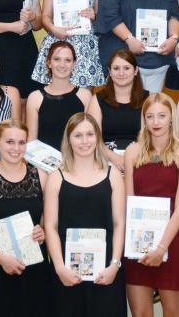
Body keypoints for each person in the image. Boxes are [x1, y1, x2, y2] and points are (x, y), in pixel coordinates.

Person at [44, 113, 127, 316]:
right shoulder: (56, 177)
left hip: (106, 270)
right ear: (69, 139)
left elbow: (119, 224)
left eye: (90, 134)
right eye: (78, 135)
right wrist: (59, 268)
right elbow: (51, 227)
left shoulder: (113, 174)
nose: (84, 141)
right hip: (66, 270)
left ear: (98, 138)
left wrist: (114, 265)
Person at [123, 93, 179, 317]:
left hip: (172, 241)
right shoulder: (132, 152)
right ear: (144, 119)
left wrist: (161, 248)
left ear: (171, 118)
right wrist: (142, 247)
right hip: (138, 244)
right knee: (141, 314)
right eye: (150, 116)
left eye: (161, 116)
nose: (156, 122)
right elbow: (129, 202)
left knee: (172, 312)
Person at [0, 119, 51, 316]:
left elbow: (48, 222)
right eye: (10, 142)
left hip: (34, 267)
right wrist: (2, 259)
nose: (16, 148)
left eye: (21, 143)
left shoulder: (41, 176)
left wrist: (44, 231)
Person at [87, 49, 148, 172]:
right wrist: (115, 159)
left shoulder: (149, 99)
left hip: (141, 157)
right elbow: (92, 138)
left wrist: (133, 158)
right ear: (109, 71)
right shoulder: (97, 100)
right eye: (116, 68)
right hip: (106, 157)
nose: (121, 73)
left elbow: (154, 137)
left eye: (126, 68)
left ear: (136, 71)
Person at [26, 40, 93, 149]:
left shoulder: (85, 96)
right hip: (44, 163)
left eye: (67, 60)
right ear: (49, 62)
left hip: (76, 161)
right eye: (57, 59)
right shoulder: (35, 98)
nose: (62, 65)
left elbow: (90, 138)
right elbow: (31, 142)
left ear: (74, 64)